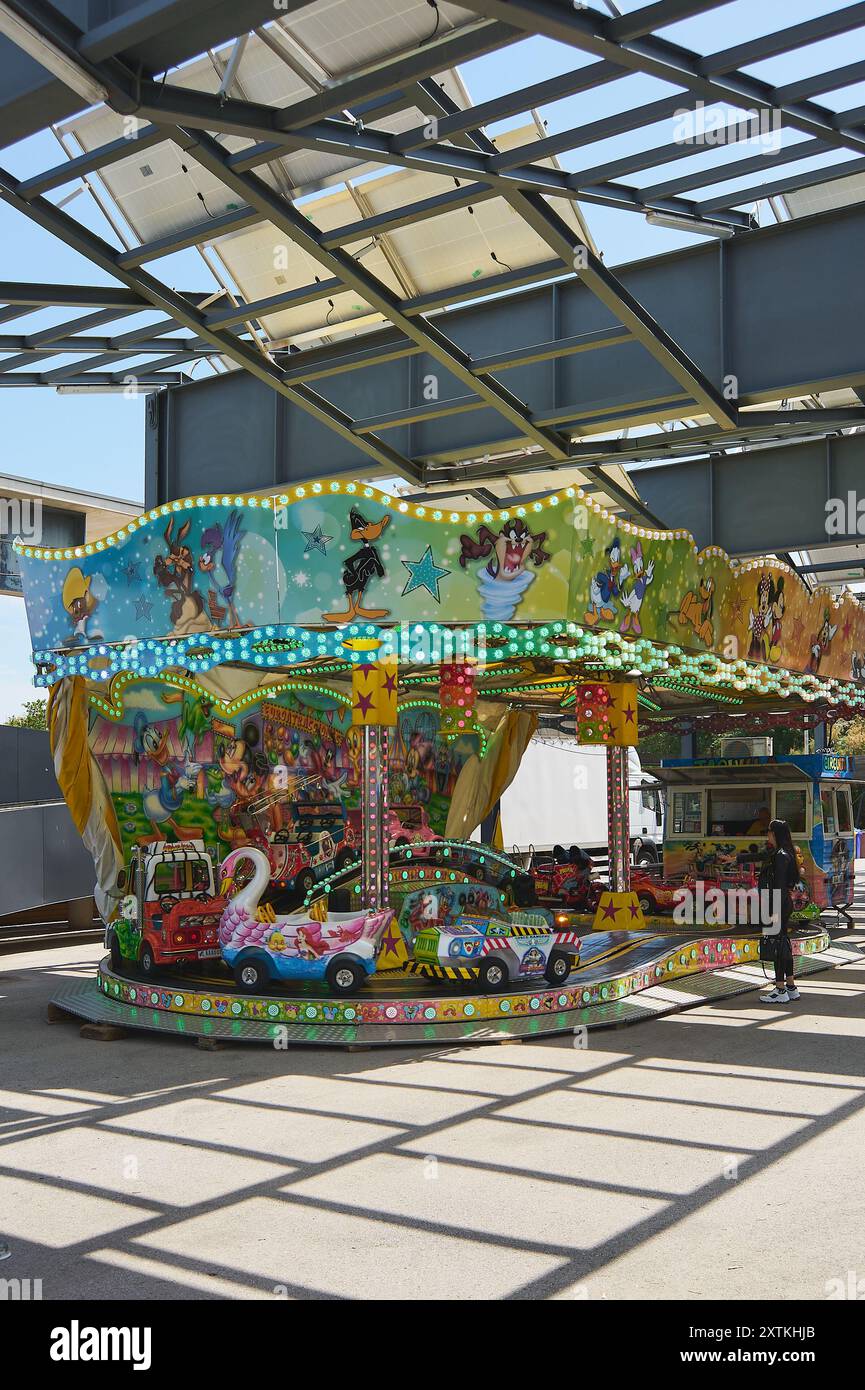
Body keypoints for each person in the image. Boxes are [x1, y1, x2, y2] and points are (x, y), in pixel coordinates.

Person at [759, 818, 800, 1004]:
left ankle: (780, 989)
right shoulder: (783, 852)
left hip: (778, 903)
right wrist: (736, 859)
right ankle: (790, 986)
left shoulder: (781, 855)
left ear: (774, 833)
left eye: (768, 830)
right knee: (783, 944)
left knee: (777, 946)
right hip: (783, 903)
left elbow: (779, 885)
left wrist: (773, 908)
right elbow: (760, 856)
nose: (767, 833)